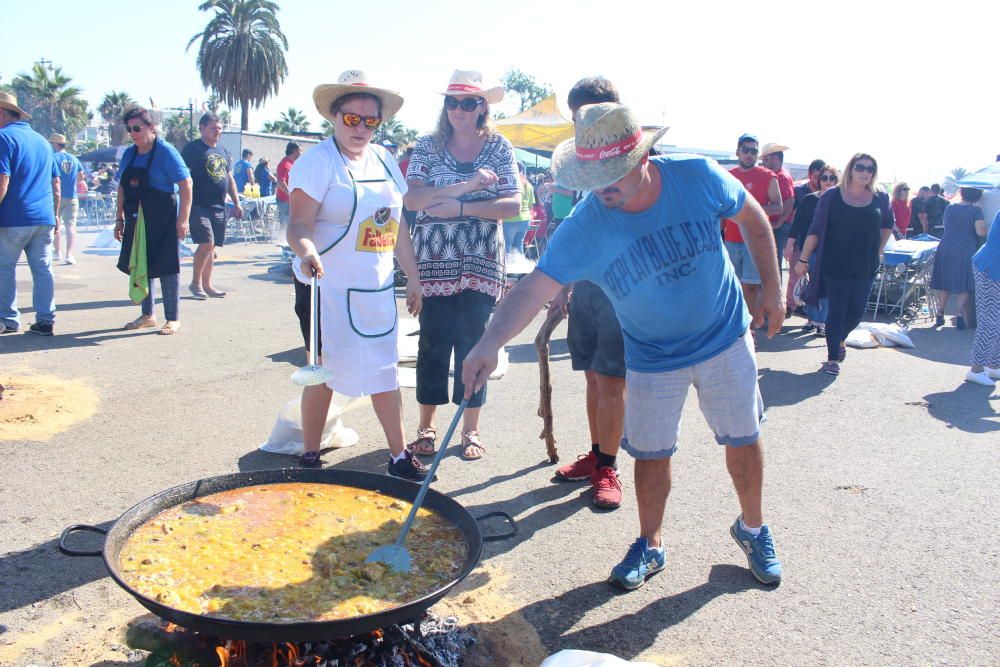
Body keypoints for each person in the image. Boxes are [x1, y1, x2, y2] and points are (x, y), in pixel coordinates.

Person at [462, 103, 785, 589]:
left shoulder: (696, 175)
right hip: (652, 355)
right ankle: (651, 544)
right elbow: (533, 289)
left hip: (723, 335)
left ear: (644, 159)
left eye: (614, 173)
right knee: (651, 454)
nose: (603, 186)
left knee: (743, 439)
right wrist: (490, 341)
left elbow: (755, 218)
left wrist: (774, 290)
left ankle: (753, 528)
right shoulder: (587, 224)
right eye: (593, 176)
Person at [286, 69, 425, 480]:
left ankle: (398, 455)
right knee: (324, 372)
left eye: (370, 121)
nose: (361, 128)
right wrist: (306, 250)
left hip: (375, 287)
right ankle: (310, 454)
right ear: (334, 116)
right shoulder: (316, 164)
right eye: (352, 119)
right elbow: (298, 225)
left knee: (385, 370)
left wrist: (412, 277)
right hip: (325, 285)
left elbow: (396, 224)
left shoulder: (384, 159)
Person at [402, 69, 520, 462]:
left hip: (481, 263)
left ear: (481, 106)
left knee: (474, 343)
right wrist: (466, 189)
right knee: (432, 344)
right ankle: (427, 426)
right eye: (452, 102)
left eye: (467, 102)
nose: (458, 109)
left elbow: (513, 205)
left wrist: (459, 207)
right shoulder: (428, 146)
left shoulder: (499, 147)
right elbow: (414, 200)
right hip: (434, 263)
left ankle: (470, 430)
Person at [550, 76, 628, 510]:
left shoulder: (633, 152)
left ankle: (609, 467)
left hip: (623, 287)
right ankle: (597, 455)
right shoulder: (575, 159)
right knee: (593, 377)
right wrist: (562, 286)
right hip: (587, 285)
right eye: (577, 114)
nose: (584, 121)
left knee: (613, 380)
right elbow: (569, 228)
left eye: (592, 111)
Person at [796, 153, 894, 375]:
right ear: (851, 169)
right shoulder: (831, 196)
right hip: (835, 262)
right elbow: (815, 229)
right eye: (860, 167)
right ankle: (832, 358)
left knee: (857, 311)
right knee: (837, 310)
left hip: (866, 264)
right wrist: (803, 259)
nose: (865, 172)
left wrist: (878, 250)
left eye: (870, 168)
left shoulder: (881, 196)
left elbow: (888, 224)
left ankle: (839, 338)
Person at [113, 106, 193, 336]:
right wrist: (119, 219)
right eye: (129, 129)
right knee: (141, 263)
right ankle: (148, 314)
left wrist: (183, 219)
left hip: (163, 216)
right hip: (136, 217)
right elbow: (121, 187)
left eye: (137, 128)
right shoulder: (130, 153)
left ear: (151, 127)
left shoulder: (166, 152)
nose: (133, 133)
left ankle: (173, 318)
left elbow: (186, 184)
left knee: (168, 267)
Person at [0, 92, 60, 336]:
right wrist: (55, 215)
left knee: (4, 268)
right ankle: (46, 320)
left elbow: (3, 178)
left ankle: (7, 319)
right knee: (43, 269)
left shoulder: (3, 137)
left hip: (14, 217)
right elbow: (56, 182)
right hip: (43, 217)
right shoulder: (42, 141)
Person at [181, 113, 243, 300]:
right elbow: (182, 177)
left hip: (219, 206)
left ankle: (208, 285)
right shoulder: (192, 149)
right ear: (202, 129)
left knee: (212, 246)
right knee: (206, 243)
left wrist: (237, 202)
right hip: (199, 204)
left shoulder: (223, 150)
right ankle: (195, 283)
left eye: (220, 128)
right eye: (213, 128)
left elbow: (229, 178)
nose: (218, 132)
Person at [723, 134, 783, 318]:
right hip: (731, 240)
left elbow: (778, 206)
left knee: (751, 287)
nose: (749, 154)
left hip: (755, 240)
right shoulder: (728, 176)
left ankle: (751, 329)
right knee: (732, 285)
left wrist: (752, 208)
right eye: (745, 150)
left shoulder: (767, 177)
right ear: (738, 152)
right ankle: (734, 325)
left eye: (754, 151)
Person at [787, 165, 839, 335]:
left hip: (832, 251)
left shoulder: (840, 201)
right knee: (810, 285)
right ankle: (811, 319)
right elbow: (797, 224)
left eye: (832, 178)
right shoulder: (809, 200)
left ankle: (822, 321)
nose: (828, 182)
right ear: (818, 180)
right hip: (809, 250)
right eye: (824, 178)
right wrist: (789, 245)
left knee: (825, 286)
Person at [930, 187, 986, 329]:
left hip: (946, 245)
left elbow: (946, 225)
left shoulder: (950, 207)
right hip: (965, 247)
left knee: (945, 280)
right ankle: (959, 313)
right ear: (978, 196)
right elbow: (980, 232)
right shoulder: (976, 211)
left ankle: (940, 312)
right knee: (964, 282)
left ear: (962, 192)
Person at [786, 159, 826, 315]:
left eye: (823, 177)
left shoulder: (833, 196)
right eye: (817, 176)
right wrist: (789, 244)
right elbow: (795, 220)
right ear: (810, 175)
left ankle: (810, 311)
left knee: (817, 280)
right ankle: (791, 305)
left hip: (822, 246)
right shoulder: (802, 193)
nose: (820, 180)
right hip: (801, 241)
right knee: (795, 276)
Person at [965, 210, 1000, 385]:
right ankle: (976, 369)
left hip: (991, 265)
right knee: (991, 319)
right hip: (991, 267)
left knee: (996, 318)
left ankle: (994, 365)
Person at [759, 143, 795, 280]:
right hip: (777, 224)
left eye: (766, 160)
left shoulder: (781, 177)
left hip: (779, 226)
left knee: (773, 261)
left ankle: (775, 296)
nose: (764, 163)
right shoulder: (778, 175)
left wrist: (779, 222)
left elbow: (789, 201)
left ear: (775, 158)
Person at [49, 133, 83, 265]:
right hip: (72, 196)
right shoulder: (74, 159)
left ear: (55, 144)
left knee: (55, 225)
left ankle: (57, 253)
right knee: (71, 226)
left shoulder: (53, 158)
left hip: (55, 196)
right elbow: (81, 177)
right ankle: (69, 255)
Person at [502, 162, 534, 255]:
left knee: (507, 247)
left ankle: (507, 269)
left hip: (511, 219)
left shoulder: (510, 182)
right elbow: (531, 206)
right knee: (518, 246)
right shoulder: (528, 184)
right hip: (525, 219)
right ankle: (520, 268)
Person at [276, 141, 301, 230]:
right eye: (300, 150)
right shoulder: (284, 164)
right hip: (284, 199)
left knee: (291, 221)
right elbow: (280, 182)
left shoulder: (292, 163)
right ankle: (283, 238)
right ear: (295, 151)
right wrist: (291, 195)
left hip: (290, 199)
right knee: (285, 222)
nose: (301, 153)